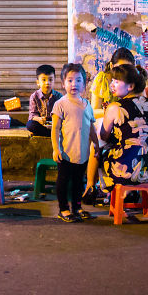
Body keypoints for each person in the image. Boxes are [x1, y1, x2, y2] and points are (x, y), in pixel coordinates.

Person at [88, 64, 148, 196]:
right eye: (112, 81)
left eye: (116, 81)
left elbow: (103, 137)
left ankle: (99, 190)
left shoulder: (114, 107)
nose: (112, 84)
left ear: (130, 86)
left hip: (127, 172)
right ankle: (129, 194)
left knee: (98, 150)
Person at [51, 63, 98, 222]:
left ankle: (77, 207)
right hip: (65, 153)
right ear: (63, 83)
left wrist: (96, 144)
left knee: (79, 182)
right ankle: (63, 209)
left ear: (84, 84)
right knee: (63, 181)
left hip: (83, 153)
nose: (74, 84)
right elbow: (55, 129)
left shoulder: (87, 105)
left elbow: (91, 127)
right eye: (70, 80)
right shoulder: (60, 104)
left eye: (78, 80)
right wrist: (55, 149)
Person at [90, 47, 135, 113]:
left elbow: (142, 106)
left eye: (128, 68)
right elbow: (93, 112)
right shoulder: (102, 79)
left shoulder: (135, 80)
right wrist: (114, 112)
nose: (123, 72)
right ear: (111, 66)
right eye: (119, 68)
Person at [27, 64, 61, 137]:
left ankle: (49, 133)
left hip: (55, 125)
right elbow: (32, 115)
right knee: (30, 125)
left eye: (50, 79)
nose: (47, 83)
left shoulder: (59, 96)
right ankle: (50, 134)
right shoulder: (34, 96)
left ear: (54, 80)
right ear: (38, 82)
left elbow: (63, 114)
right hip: (41, 125)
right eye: (43, 80)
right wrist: (38, 119)